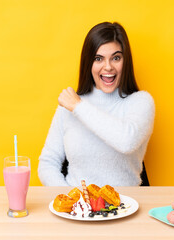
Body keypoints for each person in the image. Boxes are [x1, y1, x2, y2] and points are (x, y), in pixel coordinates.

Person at [38, 22, 155, 186]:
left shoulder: (141, 102)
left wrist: (78, 107)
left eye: (116, 58)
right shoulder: (68, 106)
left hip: (127, 206)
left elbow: (126, 141)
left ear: (125, 61)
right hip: (79, 208)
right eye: (98, 59)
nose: (108, 67)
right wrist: (71, 200)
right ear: (88, 63)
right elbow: (47, 163)